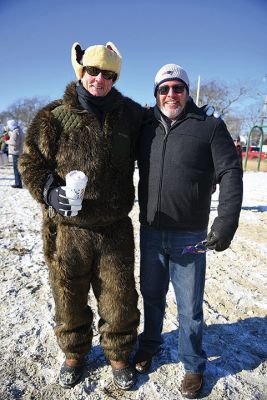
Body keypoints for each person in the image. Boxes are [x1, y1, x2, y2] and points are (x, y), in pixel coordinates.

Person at [19, 41, 144, 390]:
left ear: (115, 77)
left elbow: (164, 132)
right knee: (69, 296)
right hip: (67, 228)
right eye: (93, 71)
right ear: (81, 72)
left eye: (108, 74)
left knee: (119, 299)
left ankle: (119, 355)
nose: (99, 79)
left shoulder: (132, 115)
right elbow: (30, 163)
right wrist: (49, 192)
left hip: (114, 228)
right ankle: (74, 354)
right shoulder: (53, 116)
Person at [134, 64, 243, 399]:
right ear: (156, 94)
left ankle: (194, 364)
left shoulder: (210, 126)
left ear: (187, 92)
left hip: (190, 236)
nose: (171, 95)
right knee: (151, 297)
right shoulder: (144, 126)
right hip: (151, 232)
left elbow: (230, 172)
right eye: (164, 89)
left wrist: (226, 222)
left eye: (177, 88)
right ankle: (149, 344)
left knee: (189, 306)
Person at [5, 119, 24, 188]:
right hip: (18, 151)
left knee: (16, 169)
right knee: (17, 168)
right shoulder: (19, 130)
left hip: (16, 152)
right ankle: (18, 182)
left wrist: (6, 141)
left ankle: (18, 183)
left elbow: (14, 143)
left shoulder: (16, 131)